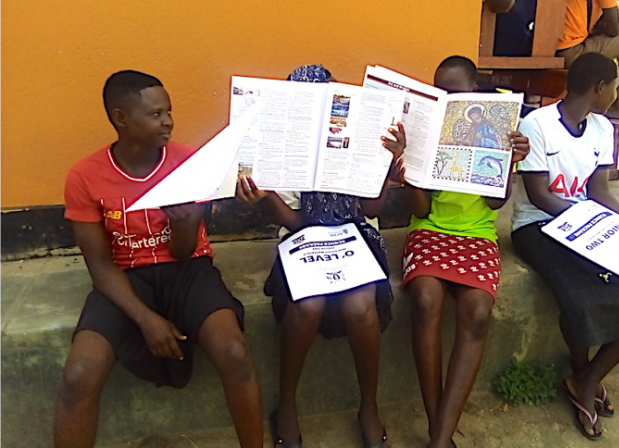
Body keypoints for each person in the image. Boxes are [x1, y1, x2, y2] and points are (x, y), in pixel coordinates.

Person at [54, 71, 263, 448]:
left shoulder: (190, 163)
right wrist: (146, 319)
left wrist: (183, 224)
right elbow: (100, 266)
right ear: (121, 118)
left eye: (169, 111)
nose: (168, 121)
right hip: (124, 276)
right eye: (155, 114)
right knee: (78, 374)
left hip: (188, 270)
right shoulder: (85, 177)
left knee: (234, 352)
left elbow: (184, 251)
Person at [236, 64, 405, 448]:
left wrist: (385, 166)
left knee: (360, 305)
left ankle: (368, 406)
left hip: (357, 233)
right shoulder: (286, 147)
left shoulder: (358, 137)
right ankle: (288, 404)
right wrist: (266, 195)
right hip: (304, 236)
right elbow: (296, 222)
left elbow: (372, 208)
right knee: (307, 304)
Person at [510, 53, 619, 440]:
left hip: (589, 226)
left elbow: (599, 190)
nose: (616, 93)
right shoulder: (537, 125)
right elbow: (539, 195)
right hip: (538, 226)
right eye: (615, 86)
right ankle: (582, 376)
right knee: (581, 300)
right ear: (599, 87)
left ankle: (586, 379)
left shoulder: (603, 129)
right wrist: (587, 222)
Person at [394, 55, 530, 448]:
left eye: (453, 93)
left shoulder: (497, 132)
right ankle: (439, 428)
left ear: (473, 93)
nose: (445, 100)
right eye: (439, 92)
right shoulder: (424, 132)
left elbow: (494, 203)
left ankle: (439, 439)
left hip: (477, 234)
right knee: (425, 300)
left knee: (477, 312)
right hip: (430, 230)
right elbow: (422, 211)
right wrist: (407, 170)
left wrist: (507, 162)